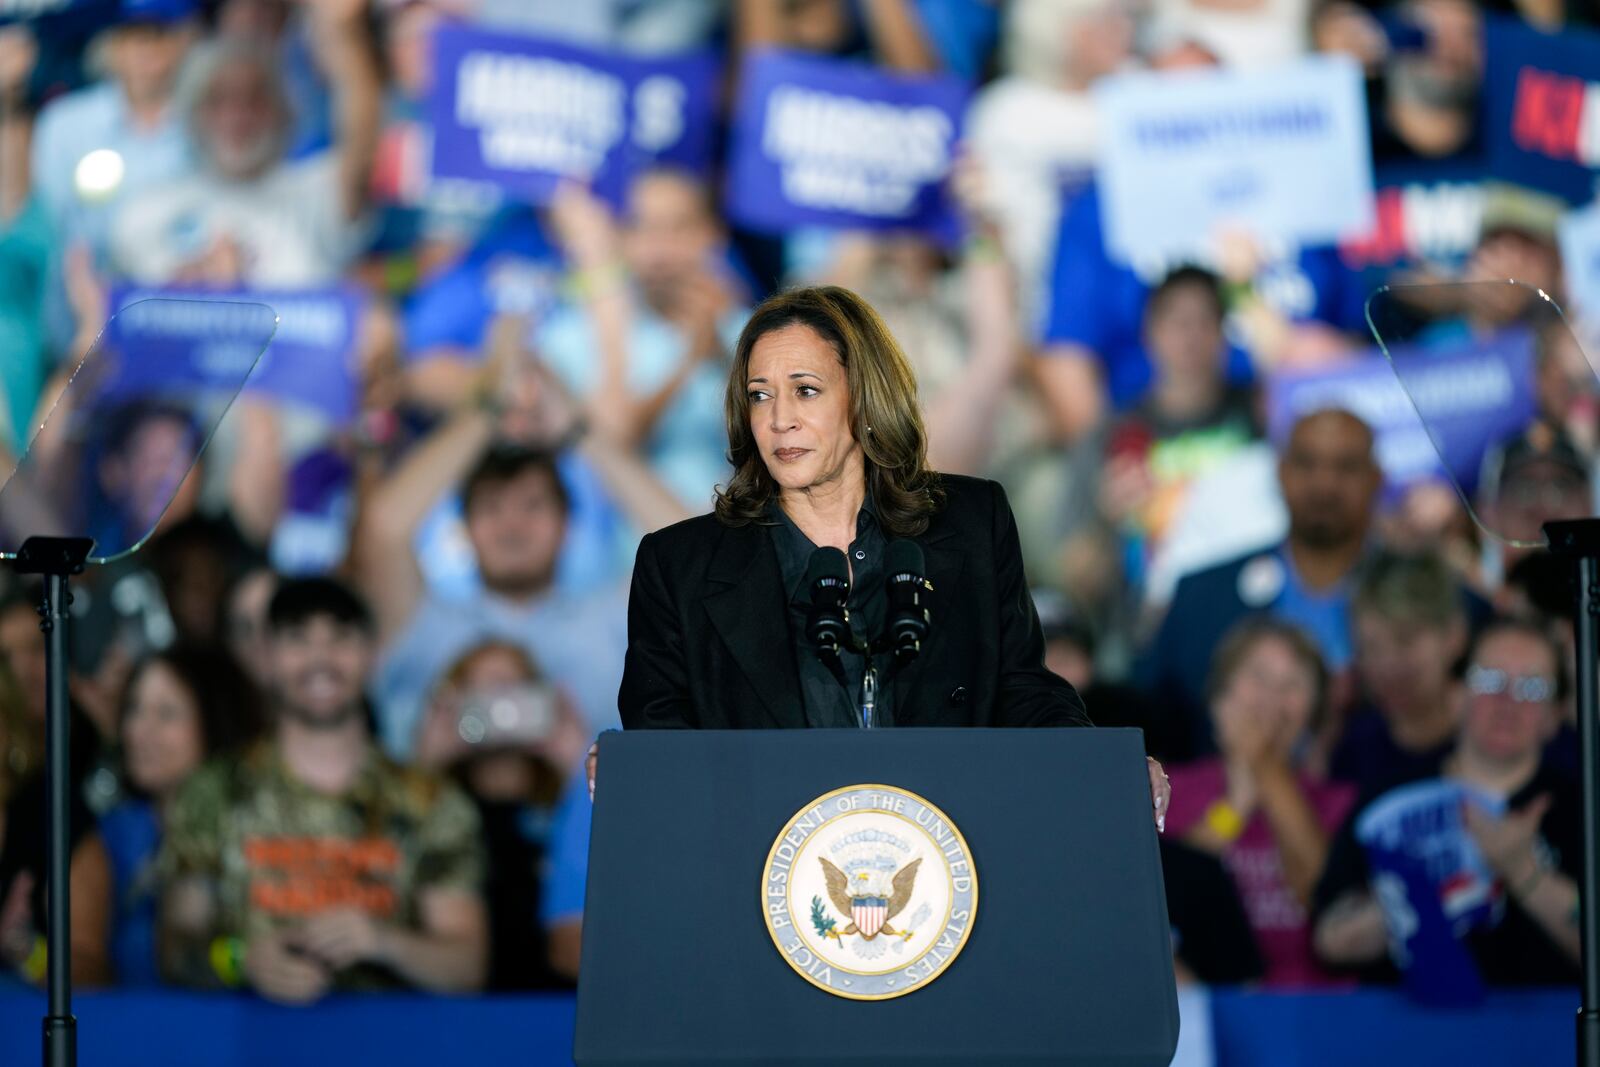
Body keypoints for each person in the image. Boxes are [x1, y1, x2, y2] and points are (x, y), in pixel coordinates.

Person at [610, 286, 1170, 821]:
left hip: (950, 857)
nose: (780, 419)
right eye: (760, 395)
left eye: (806, 390)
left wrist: (1105, 766)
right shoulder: (680, 565)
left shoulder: (971, 524)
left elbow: (1020, 688)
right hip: (758, 870)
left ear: (865, 396)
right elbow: (659, 735)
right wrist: (630, 767)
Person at [157, 577, 488, 1002]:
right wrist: (242, 959)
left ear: (374, 654)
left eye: (341, 637)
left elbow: (467, 966)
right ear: (266, 656)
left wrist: (382, 942)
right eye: (298, 638)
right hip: (245, 1047)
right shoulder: (213, 789)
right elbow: (173, 947)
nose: (321, 659)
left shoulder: (432, 800)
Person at [356, 339, 689, 757]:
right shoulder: (421, 620)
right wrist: (489, 410)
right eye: (492, 507)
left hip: (586, 821)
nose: (512, 525)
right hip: (433, 818)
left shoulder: (611, 623)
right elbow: (384, 526)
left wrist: (576, 430)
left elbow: (690, 547)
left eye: (533, 506)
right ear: (464, 527)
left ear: (568, 525)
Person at [1312, 618, 1581, 990]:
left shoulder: (1584, 810)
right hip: (1408, 1035)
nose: (1508, 701)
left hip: (1543, 1039)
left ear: (1554, 716)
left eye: (1533, 687)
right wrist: (1426, 884)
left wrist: (1525, 873)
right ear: (1458, 694)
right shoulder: (1388, 801)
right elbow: (1329, 941)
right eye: (1490, 680)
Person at [1138, 409, 1383, 758]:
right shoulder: (1200, 598)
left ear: (1377, 479)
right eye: (1306, 463)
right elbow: (1152, 727)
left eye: (1346, 467)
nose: (1324, 484)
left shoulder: (1430, 599)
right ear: (1280, 473)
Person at [108, 0, 380, 288]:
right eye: (218, 100)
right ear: (192, 115)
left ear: (282, 112)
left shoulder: (316, 194)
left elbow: (361, 135)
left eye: (255, 99)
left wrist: (344, 30)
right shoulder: (143, 215)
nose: (237, 117)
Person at [1163, 619, 1356, 987]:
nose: (1272, 697)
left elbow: (1324, 897)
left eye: (1293, 685)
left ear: (1313, 713)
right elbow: (1164, 905)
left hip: (1313, 1012)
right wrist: (1235, 806)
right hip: (1202, 1015)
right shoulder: (1173, 789)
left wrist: (1263, 768)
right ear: (1221, 693)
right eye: (1258, 676)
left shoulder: (1337, 803)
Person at [413, 640, 589, 990]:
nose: (501, 705)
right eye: (485, 690)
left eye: (514, 688)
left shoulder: (569, 806)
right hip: (457, 1002)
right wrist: (423, 771)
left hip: (557, 998)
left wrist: (580, 774)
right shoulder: (438, 807)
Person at [100, 643, 263, 985]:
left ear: (215, 720)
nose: (139, 730)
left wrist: (236, 961)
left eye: (166, 713)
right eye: (133, 709)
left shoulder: (257, 829)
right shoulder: (111, 837)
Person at [1330, 550, 1468, 794]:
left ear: (1453, 636)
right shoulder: (1351, 750)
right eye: (1370, 647)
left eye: (1405, 639)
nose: (1387, 664)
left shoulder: (1502, 730)